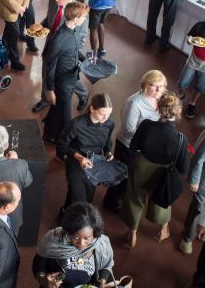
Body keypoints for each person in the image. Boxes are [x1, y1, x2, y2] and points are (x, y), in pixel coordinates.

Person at [120, 91, 188, 249]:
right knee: (161, 200)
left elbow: (133, 146)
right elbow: (182, 167)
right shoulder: (180, 139)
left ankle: (133, 234)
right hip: (163, 172)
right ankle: (163, 229)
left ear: (158, 108)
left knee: (134, 198)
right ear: (178, 112)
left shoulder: (146, 125)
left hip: (142, 165)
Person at [102, 69, 167, 212]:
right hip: (128, 146)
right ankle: (110, 202)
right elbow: (129, 130)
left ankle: (124, 197)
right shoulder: (134, 103)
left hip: (145, 147)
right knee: (121, 176)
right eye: (154, 85)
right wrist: (151, 140)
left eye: (161, 86)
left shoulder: (160, 98)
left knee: (134, 176)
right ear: (145, 85)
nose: (159, 89)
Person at [33, 203, 113, 288]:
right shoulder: (53, 241)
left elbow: (105, 266)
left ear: (94, 234)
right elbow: (38, 266)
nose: (81, 243)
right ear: (68, 231)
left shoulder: (101, 244)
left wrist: (102, 283)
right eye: (76, 237)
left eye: (87, 238)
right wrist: (44, 280)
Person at [33, 0, 89, 114]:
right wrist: (40, 26)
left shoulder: (79, 11)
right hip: (50, 46)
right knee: (47, 71)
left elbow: (82, 38)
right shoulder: (54, 2)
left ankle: (83, 94)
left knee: (67, 78)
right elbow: (49, 19)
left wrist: (66, 48)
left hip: (67, 53)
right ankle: (45, 99)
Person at [42, 1, 89, 145]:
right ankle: (62, 142)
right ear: (76, 19)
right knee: (65, 115)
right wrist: (49, 90)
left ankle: (49, 134)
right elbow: (49, 66)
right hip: (62, 83)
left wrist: (85, 59)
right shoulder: (59, 39)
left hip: (71, 78)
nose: (85, 19)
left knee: (58, 108)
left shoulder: (73, 30)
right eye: (84, 17)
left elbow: (74, 50)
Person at [58, 93, 115, 208]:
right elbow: (61, 145)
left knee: (88, 198)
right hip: (75, 163)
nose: (106, 118)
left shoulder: (110, 123)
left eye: (108, 114)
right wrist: (79, 158)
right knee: (79, 202)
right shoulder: (76, 124)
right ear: (92, 109)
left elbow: (107, 141)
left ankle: (63, 215)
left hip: (94, 164)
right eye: (102, 114)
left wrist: (108, 151)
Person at [179, 126, 205, 255]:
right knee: (198, 207)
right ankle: (187, 238)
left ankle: (200, 225)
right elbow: (200, 155)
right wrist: (195, 178)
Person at [178, 4, 205, 119]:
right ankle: (181, 94)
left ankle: (192, 103)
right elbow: (189, 38)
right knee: (182, 82)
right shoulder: (199, 26)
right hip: (193, 60)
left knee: (200, 87)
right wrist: (191, 40)